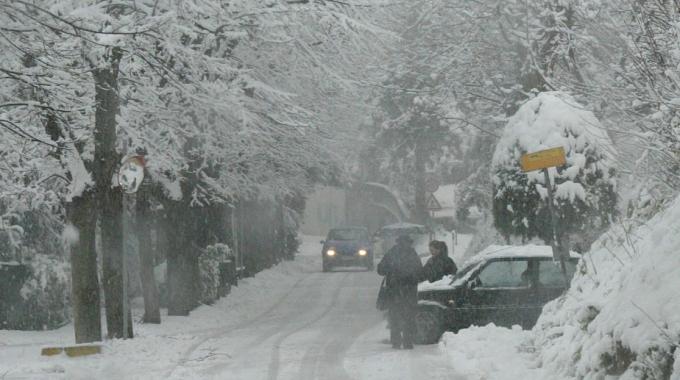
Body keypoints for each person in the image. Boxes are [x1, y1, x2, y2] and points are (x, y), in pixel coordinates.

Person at [377, 234, 423, 349]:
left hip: (394, 291)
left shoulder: (391, 253)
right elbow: (420, 272)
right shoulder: (412, 254)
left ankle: (396, 341)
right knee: (409, 316)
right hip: (409, 291)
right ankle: (408, 341)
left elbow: (380, 269)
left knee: (395, 316)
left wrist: (391, 270)